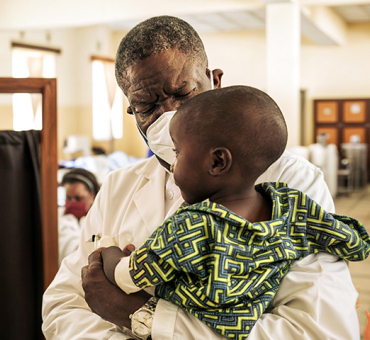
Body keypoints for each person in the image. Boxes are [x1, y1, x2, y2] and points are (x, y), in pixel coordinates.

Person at [42, 16, 361, 340]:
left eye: (182, 93)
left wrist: (140, 316)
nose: (169, 115)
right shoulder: (118, 187)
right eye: (147, 105)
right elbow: (62, 304)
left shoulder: (292, 185)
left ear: (215, 81)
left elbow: (320, 330)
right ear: (131, 111)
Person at [100, 86, 370, 339]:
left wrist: (108, 253)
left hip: (200, 322)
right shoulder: (290, 204)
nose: (173, 165)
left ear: (218, 161)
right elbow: (349, 239)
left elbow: (129, 276)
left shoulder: (191, 226)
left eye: (178, 152)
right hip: (248, 322)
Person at [58, 168, 100, 264]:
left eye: (78, 198)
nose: (72, 203)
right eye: (68, 198)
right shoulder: (58, 218)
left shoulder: (100, 219)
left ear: (92, 195)